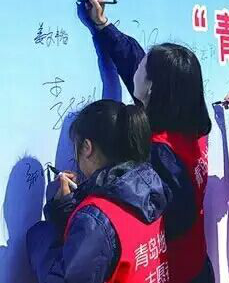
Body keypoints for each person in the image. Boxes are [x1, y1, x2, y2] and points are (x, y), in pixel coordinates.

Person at [83, 0, 214, 283]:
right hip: (196, 262)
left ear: (153, 88)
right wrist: (104, 26)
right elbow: (133, 61)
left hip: (175, 272)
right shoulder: (192, 129)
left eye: (144, 68)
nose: (138, 67)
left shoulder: (159, 152)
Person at [27, 101, 170, 283]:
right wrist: (64, 208)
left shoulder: (95, 218)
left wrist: (42, 234)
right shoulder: (150, 187)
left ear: (87, 147)